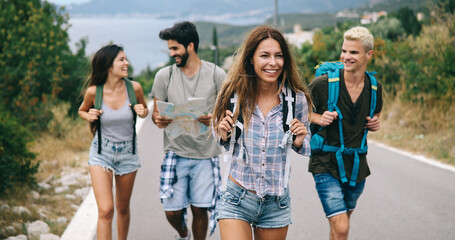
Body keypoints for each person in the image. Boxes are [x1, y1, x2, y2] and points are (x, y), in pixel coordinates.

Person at [211, 25, 312, 240]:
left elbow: (307, 144)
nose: (272, 62)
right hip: (237, 197)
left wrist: (300, 141)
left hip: (276, 203)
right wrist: (223, 134)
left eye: (279, 56)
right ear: (251, 59)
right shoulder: (232, 96)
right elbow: (218, 137)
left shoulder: (296, 101)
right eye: (264, 55)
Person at [150, 21, 227, 240]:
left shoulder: (216, 74)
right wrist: (159, 120)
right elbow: (157, 114)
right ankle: (183, 233)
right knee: (172, 211)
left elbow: (230, 109)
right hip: (176, 153)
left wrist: (214, 118)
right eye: (170, 48)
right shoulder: (164, 76)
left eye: (175, 48)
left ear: (190, 46)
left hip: (205, 154)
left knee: (200, 209)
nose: (171, 52)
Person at [308, 26, 383, 240]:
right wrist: (317, 118)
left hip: (357, 166)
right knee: (341, 227)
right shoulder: (322, 85)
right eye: (344, 51)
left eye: (353, 52)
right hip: (325, 163)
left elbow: (376, 112)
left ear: (369, 54)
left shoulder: (374, 87)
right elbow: (298, 112)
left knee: (341, 225)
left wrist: (375, 122)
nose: (346, 57)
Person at [78, 44, 148, 240]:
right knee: (106, 210)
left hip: (128, 153)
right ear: (109, 65)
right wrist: (88, 115)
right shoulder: (94, 92)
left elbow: (144, 109)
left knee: (122, 208)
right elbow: (82, 110)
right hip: (102, 152)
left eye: (126, 59)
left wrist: (143, 111)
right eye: (122, 60)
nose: (127, 63)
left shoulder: (134, 88)